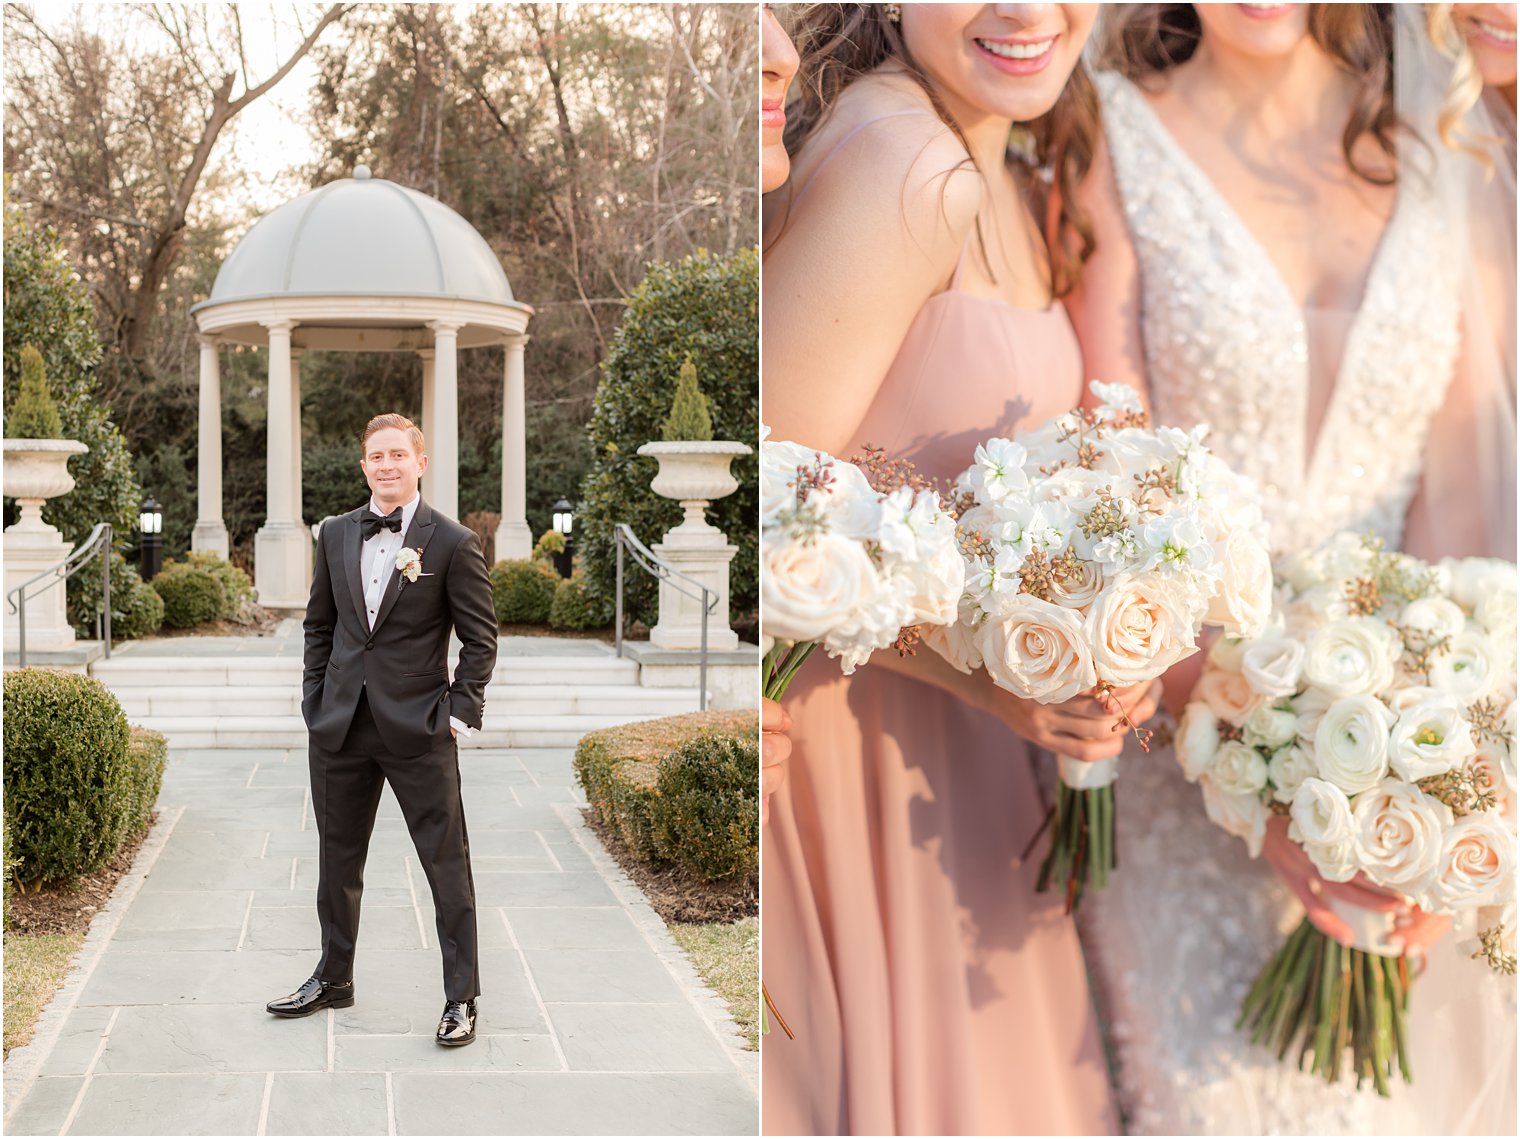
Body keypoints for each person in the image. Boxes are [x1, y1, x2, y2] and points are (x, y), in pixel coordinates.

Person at [1068, 4, 1515, 1131]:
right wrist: (1270, 796)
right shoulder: (1108, 135)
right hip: (1177, 751)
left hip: (1399, 754)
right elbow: (1111, 489)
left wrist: (1424, 795)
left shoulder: (1443, 141)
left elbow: (1459, 497)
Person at [761, 5, 1154, 1134]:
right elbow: (770, 529)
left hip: (972, 780)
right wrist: (993, 677)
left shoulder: (1014, 162)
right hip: (856, 776)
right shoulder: (905, 168)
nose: (1025, 12)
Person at [266, 412, 498, 1049]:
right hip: (339, 726)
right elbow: (319, 624)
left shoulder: (450, 541)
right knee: (336, 861)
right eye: (376, 455)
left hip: (419, 727)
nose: (387, 464)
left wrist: (458, 710)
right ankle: (333, 977)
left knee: (446, 864)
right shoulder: (335, 533)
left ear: (420, 462)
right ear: (364, 464)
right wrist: (315, 697)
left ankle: (461, 997)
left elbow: (480, 639)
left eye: (399, 454)